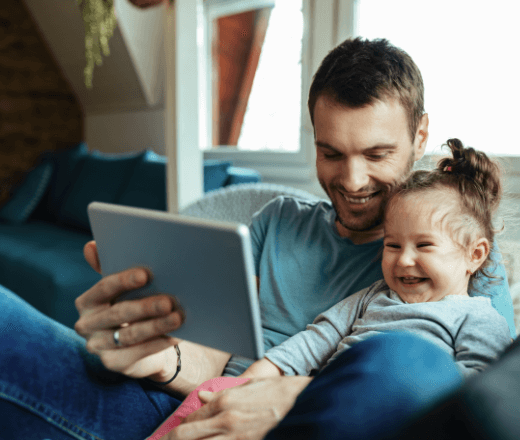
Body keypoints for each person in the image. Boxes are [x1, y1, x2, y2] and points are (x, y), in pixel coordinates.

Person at [0, 37, 515, 439]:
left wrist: (295, 400)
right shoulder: (279, 221)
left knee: (404, 361)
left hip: (324, 425)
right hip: (186, 410)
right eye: (331, 153)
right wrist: (160, 357)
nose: (352, 180)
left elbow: (477, 410)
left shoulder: (459, 262)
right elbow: (214, 359)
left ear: (420, 136)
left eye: (377, 155)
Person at [158, 139, 512, 431]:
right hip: (317, 397)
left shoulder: (477, 316)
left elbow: (479, 393)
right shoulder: (375, 295)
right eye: (392, 245)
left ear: (475, 254)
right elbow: (317, 339)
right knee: (212, 392)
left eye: (424, 246)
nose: (404, 260)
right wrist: (250, 381)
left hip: (383, 415)